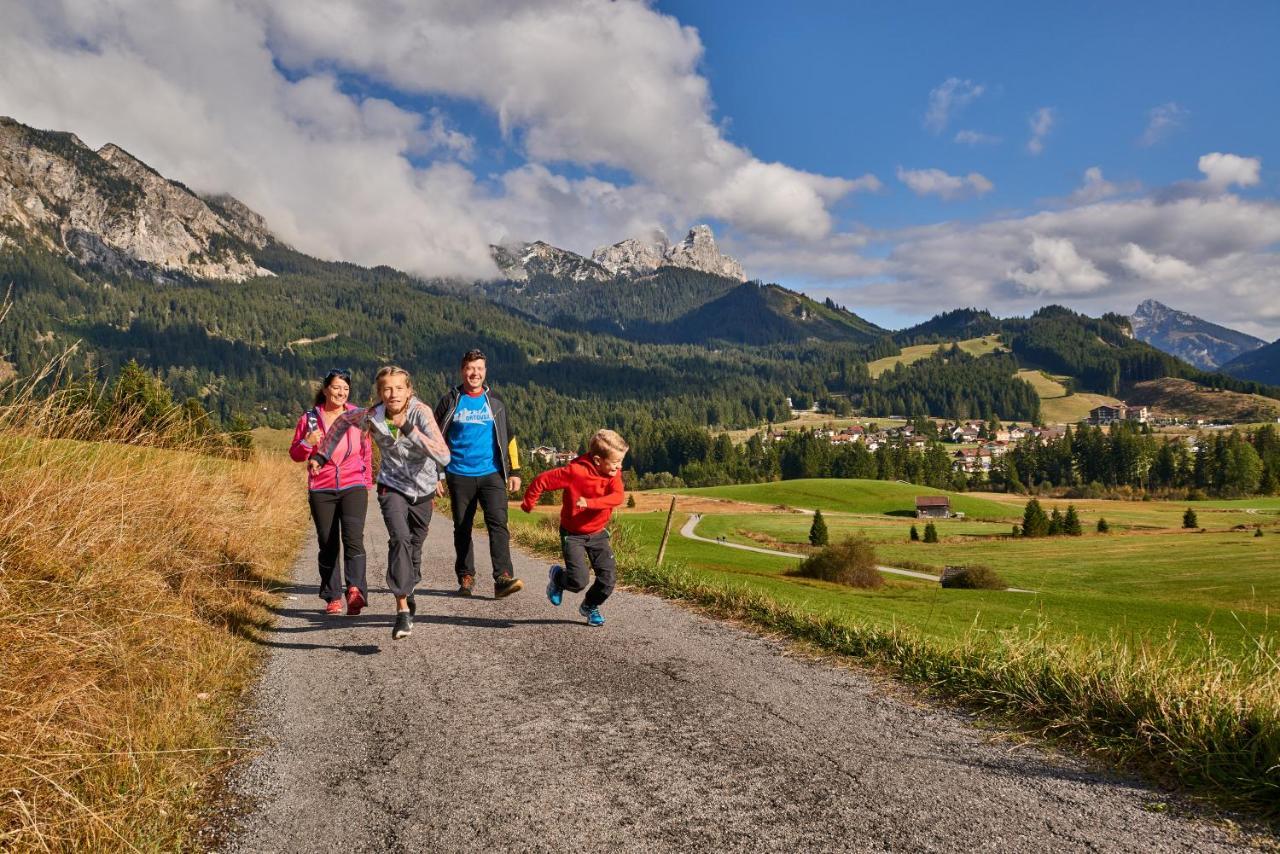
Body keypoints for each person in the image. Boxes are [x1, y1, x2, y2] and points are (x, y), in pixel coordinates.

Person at [311, 366, 450, 640]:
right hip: (391, 486)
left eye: (399, 388)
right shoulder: (372, 416)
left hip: (422, 490)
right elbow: (341, 423)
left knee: (414, 547)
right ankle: (401, 611)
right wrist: (322, 456)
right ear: (379, 393)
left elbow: (443, 455)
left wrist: (409, 429)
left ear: (409, 391)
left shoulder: (420, 413)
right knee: (399, 538)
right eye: (387, 389)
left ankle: (409, 587)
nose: (393, 394)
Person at [433, 349, 524, 599]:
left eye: (480, 369)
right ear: (463, 371)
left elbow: (510, 437)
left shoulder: (494, 400)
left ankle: (502, 577)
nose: (475, 373)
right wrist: (436, 473)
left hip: (492, 473)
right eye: (470, 369)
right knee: (462, 527)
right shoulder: (450, 400)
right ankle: (466, 575)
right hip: (458, 473)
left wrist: (514, 470)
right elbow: (435, 438)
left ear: (485, 372)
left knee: (498, 524)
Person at [520, 429, 628, 627]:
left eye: (620, 461)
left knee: (608, 579)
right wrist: (529, 502)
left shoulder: (613, 474)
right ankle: (558, 577)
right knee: (578, 581)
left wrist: (591, 503)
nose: (619, 467)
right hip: (573, 534)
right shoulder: (574, 472)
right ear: (597, 460)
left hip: (598, 533)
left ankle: (590, 606)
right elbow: (542, 480)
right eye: (615, 462)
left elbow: (618, 497)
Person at [289, 369, 373, 616]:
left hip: (353, 486)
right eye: (336, 387)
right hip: (321, 488)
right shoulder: (309, 419)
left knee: (353, 538)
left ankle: (355, 591)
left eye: (345, 388)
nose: (341, 392)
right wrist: (307, 442)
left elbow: (366, 449)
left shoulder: (357, 415)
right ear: (325, 389)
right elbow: (295, 454)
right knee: (327, 543)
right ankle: (333, 596)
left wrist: (366, 480)